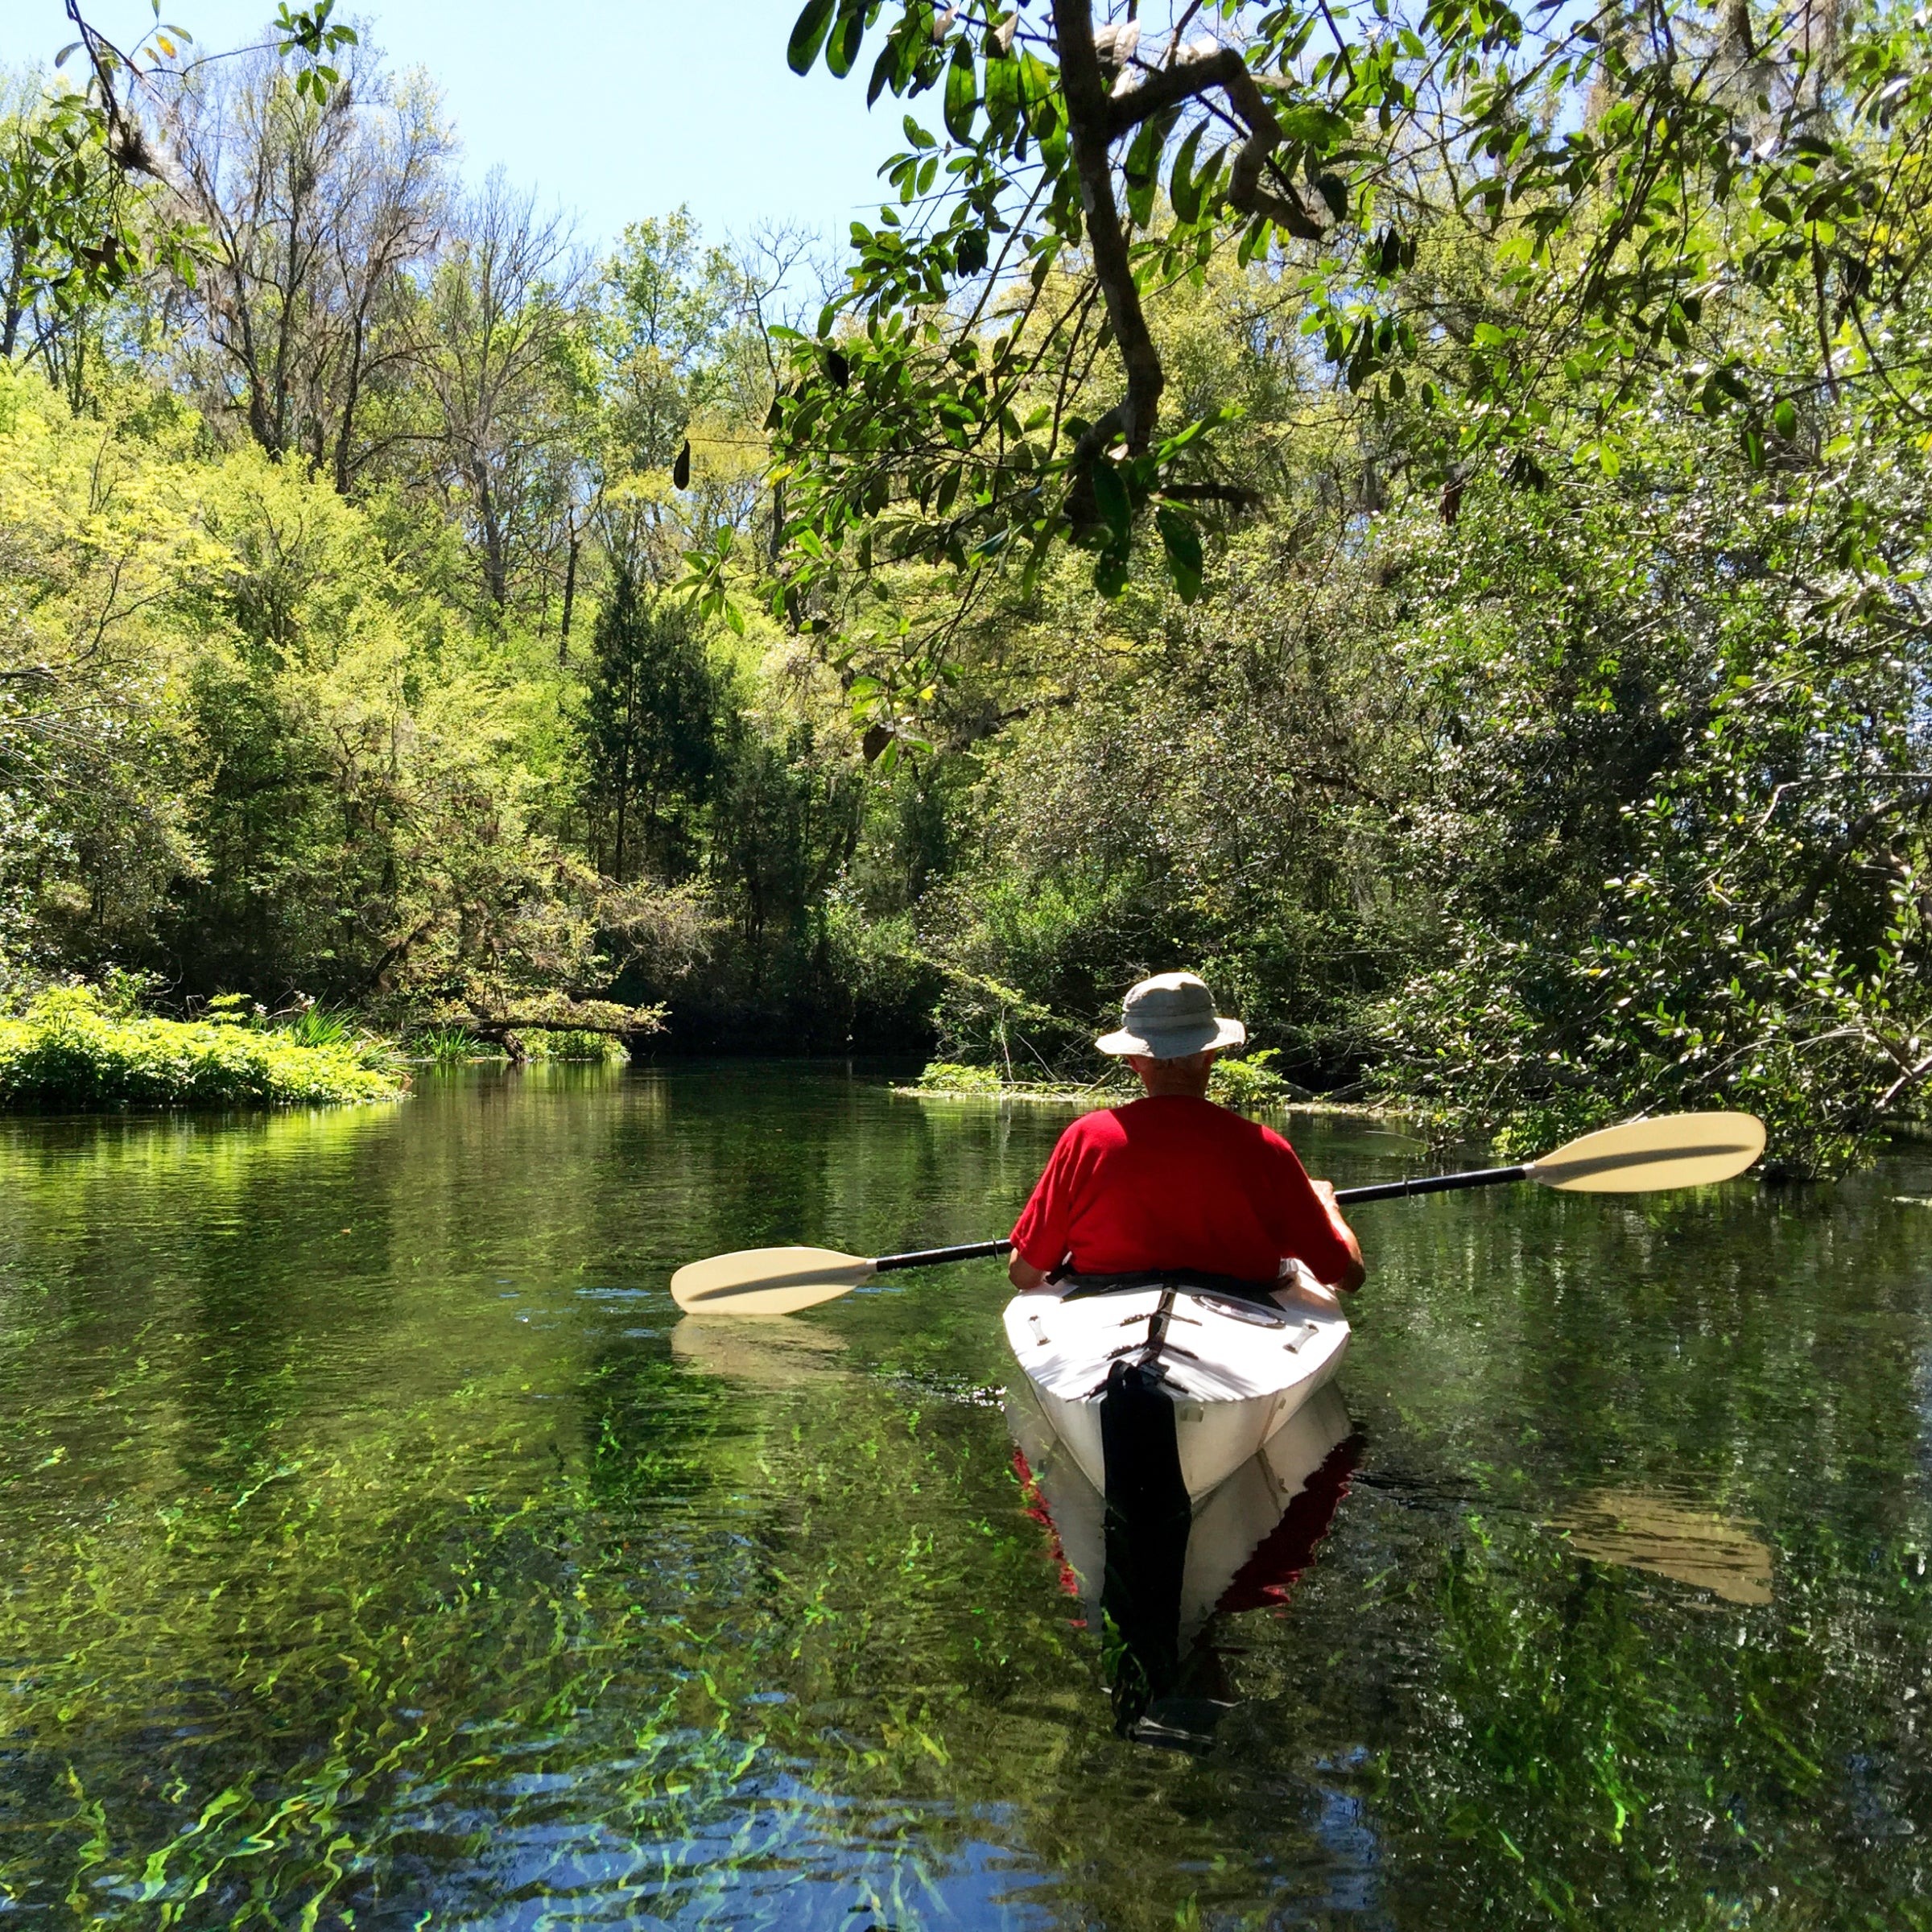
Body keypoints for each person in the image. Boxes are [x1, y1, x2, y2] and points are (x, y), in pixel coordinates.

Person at [1006, 971, 1366, 1298]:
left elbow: (1023, 1274)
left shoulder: (1085, 1139)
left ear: (1133, 1060)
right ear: (1211, 1053)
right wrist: (1327, 1208)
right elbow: (1347, 1275)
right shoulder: (1268, 1148)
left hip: (1103, 1303)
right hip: (1243, 1307)